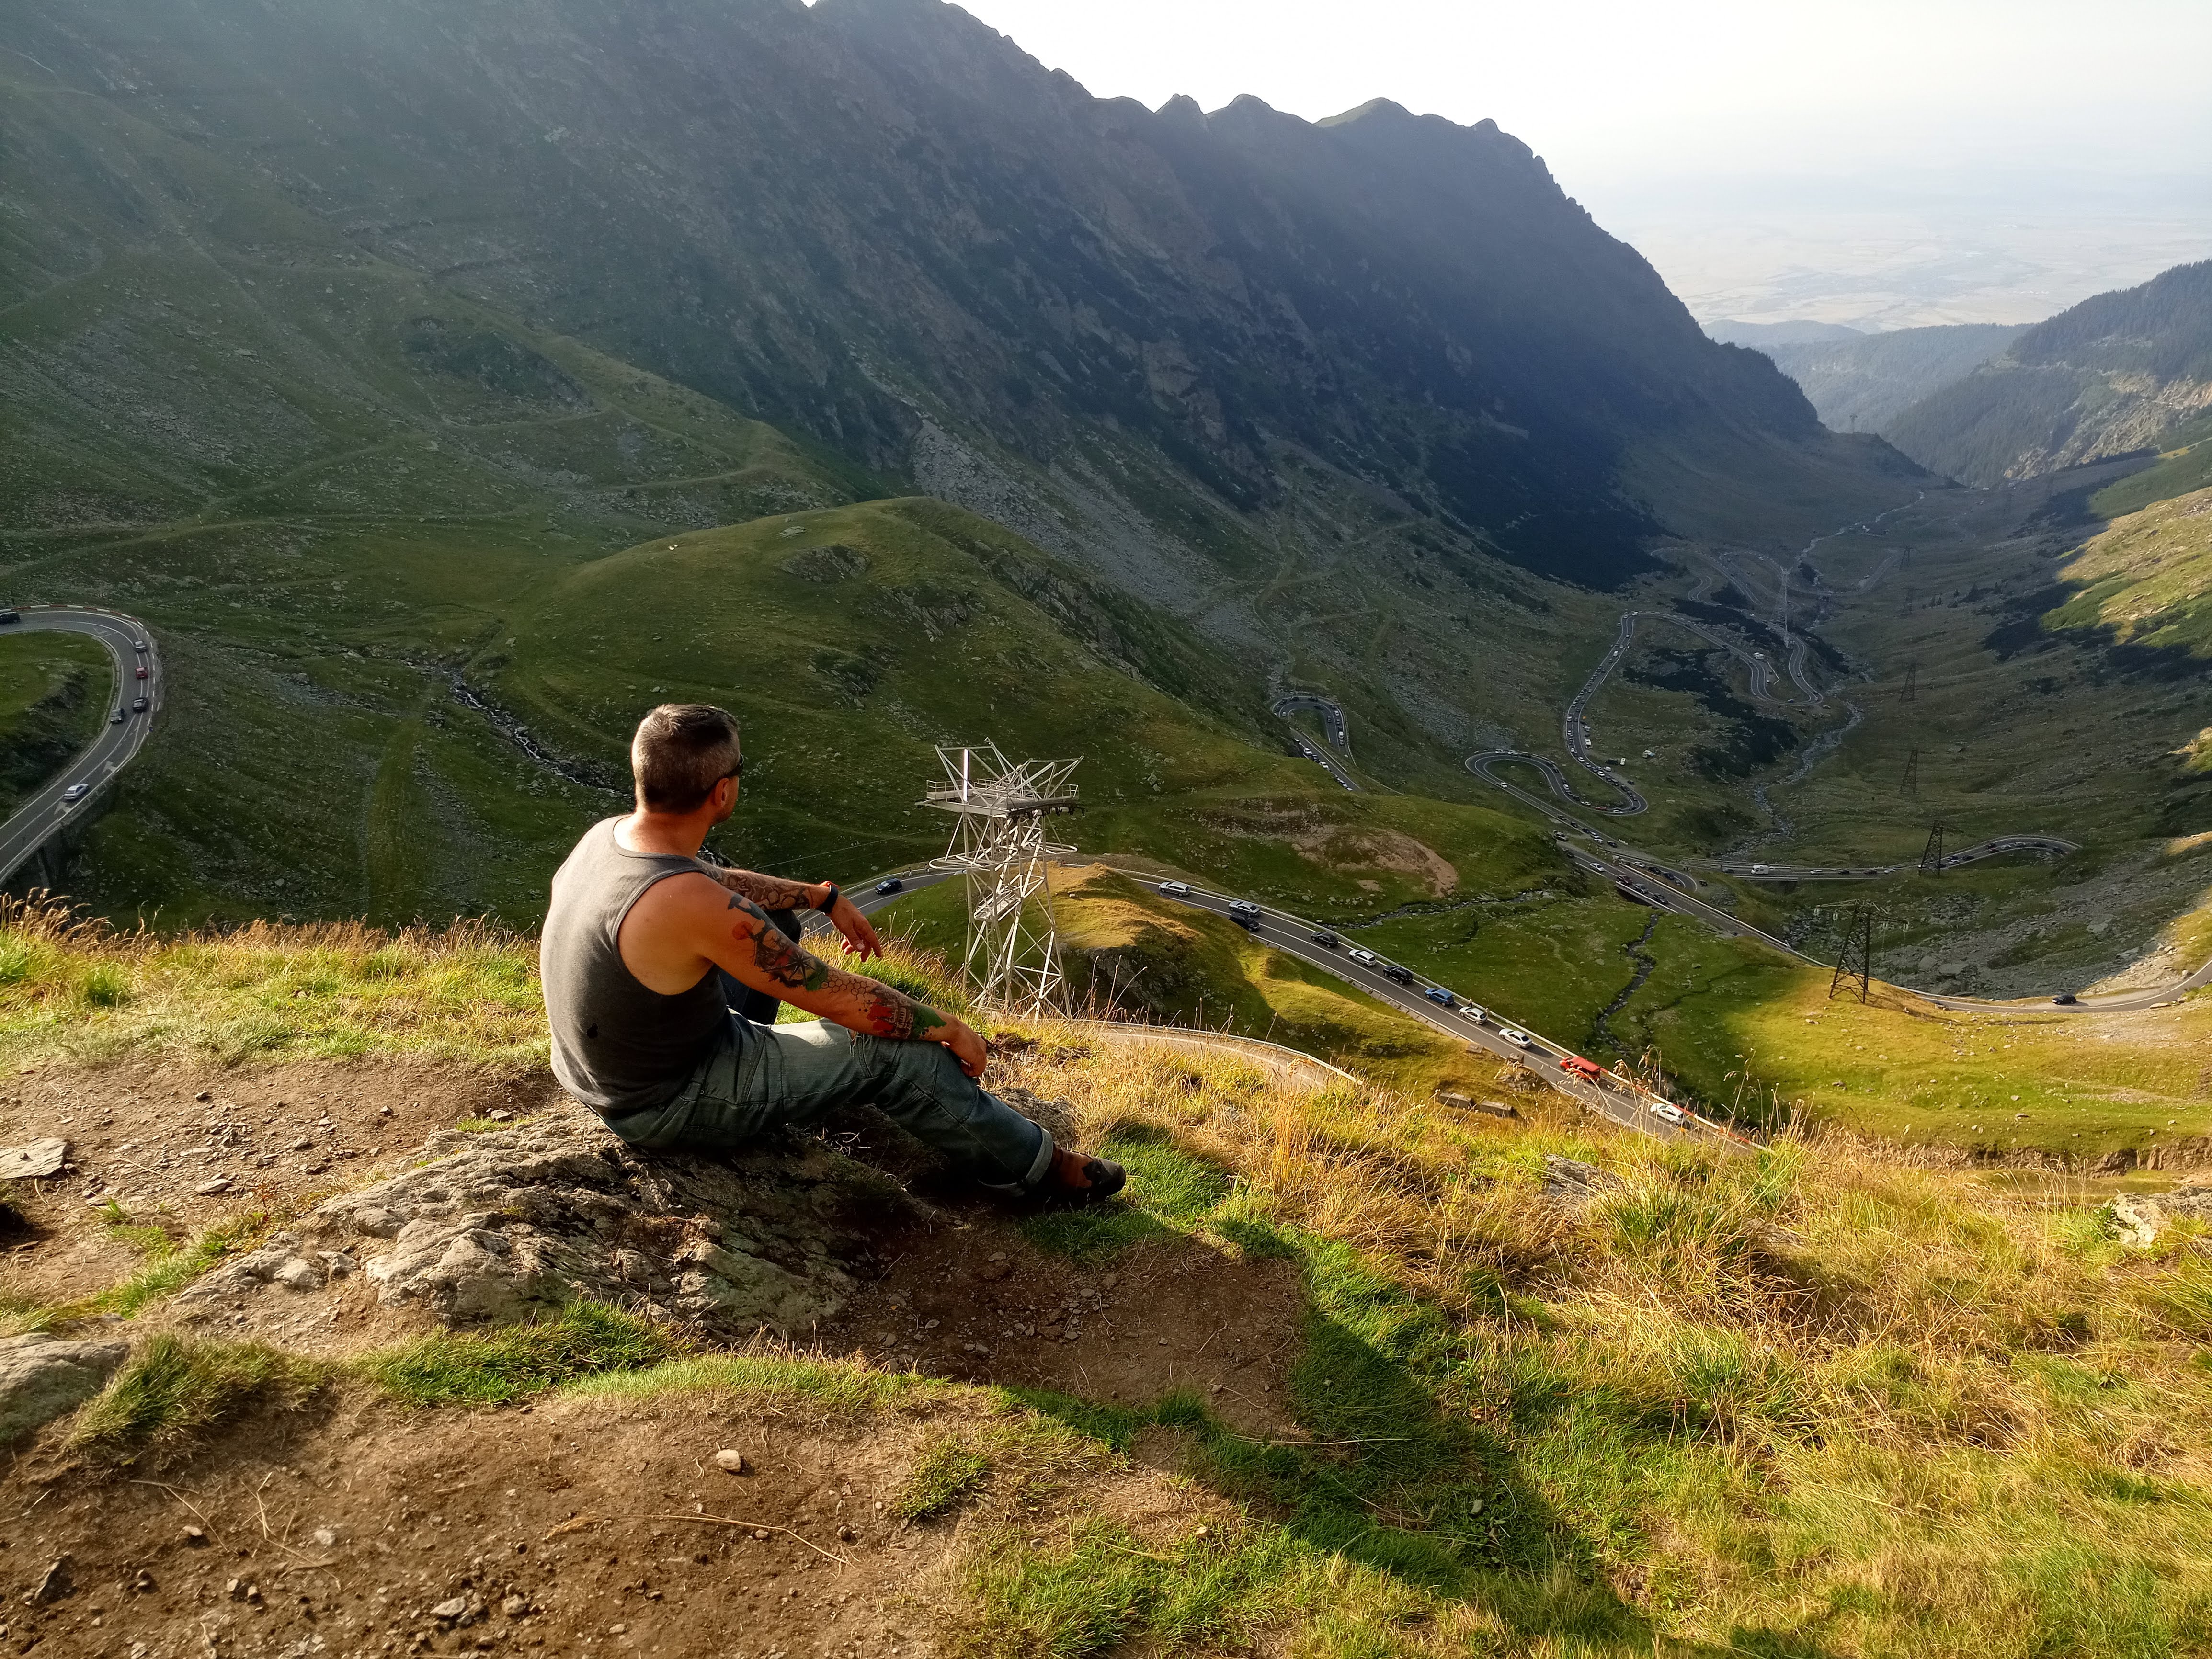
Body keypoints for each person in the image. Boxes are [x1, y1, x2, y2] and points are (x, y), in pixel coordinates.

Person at [541, 703, 1124, 1204]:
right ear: (723, 790)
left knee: (775, 915)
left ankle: (776, 1078)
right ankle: (1038, 1171)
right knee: (895, 1048)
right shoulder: (688, 903)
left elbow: (715, 882)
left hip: (603, 1066)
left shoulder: (612, 835)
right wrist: (947, 1026)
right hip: (664, 1100)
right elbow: (848, 1003)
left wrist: (824, 897)